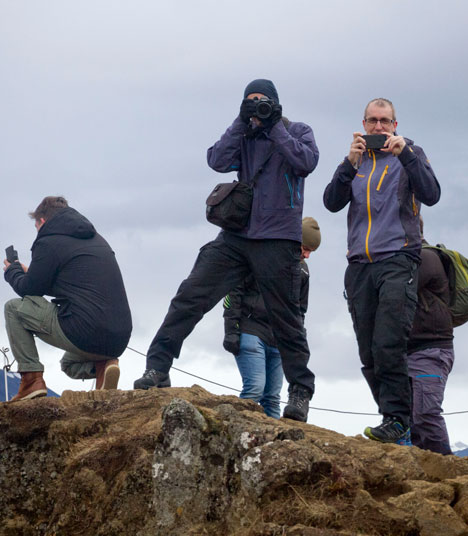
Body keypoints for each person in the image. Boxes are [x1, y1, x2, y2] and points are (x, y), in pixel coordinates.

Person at [134, 79, 319, 423]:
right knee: (190, 295)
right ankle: (157, 368)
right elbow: (217, 160)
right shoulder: (244, 133)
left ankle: (300, 391)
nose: (257, 105)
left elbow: (305, 162)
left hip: (279, 238)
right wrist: (240, 121)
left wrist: (275, 124)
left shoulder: (298, 130)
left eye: (263, 101)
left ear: (277, 103)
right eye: (250, 101)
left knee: (286, 318)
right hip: (237, 236)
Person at [323, 97, 440, 445]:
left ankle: (398, 419)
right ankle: (392, 418)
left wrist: (406, 154)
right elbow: (331, 202)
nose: (378, 127)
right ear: (363, 123)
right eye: (372, 121)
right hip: (359, 263)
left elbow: (432, 194)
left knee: (390, 342)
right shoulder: (356, 161)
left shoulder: (411, 155)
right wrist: (348, 162)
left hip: (398, 258)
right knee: (368, 351)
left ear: (395, 125)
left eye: (384, 121)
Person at [3, 196, 132, 400]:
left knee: (13, 308)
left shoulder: (48, 240)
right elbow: (76, 286)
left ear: (42, 221)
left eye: (36, 226)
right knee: (69, 365)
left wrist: (13, 272)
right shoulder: (95, 237)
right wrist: (32, 274)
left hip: (86, 331)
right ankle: (104, 366)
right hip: (119, 337)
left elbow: (28, 289)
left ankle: (31, 380)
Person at [222, 217, 320, 418]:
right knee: (255, 389)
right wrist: (231, 329)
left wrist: (296, 341)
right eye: (305, 248)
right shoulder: (259, 255)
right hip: (251, 330)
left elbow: (300, 311)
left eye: (311, 251)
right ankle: (234, 435)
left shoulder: (303, 271)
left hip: (280, 340)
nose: (307, 255)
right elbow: (233, 291)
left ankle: (272, 447)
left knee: (272, 398)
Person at [407, 218, 454, 454]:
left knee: (425, 415)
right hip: (416, 348)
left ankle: (448, 469)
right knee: (413, 419)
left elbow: (398, 292)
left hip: (430, 349)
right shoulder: (413, 258)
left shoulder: (424, 258)